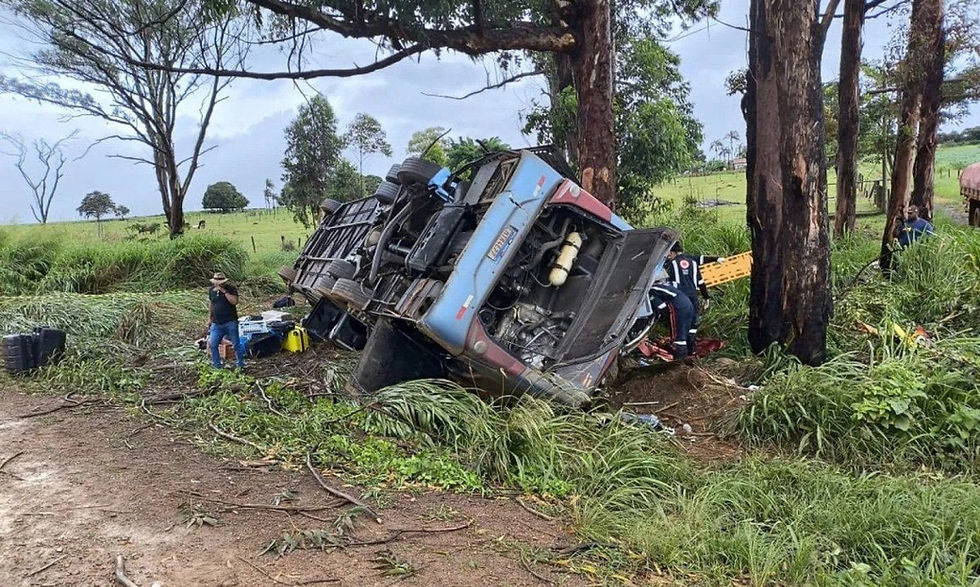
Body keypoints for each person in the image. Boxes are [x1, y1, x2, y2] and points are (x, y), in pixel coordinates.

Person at [664, 241, 724, 354]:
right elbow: (701, 281)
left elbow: (668, 283)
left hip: (680, 299)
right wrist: (706, 297)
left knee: (680, 326)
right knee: (693, 325)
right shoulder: (692, 261)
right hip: (693, 297)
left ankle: (680, 356)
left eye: (668, 253)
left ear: (672, 252)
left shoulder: (670, 264)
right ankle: (692, 351)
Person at [648, 283, 695, 360]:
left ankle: (679, 358)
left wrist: (666, 319)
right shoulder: (663, 286)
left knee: (677, 334)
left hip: (678, 305)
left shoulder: (650, 292)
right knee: (684, 330)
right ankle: (691, 351)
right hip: (688, 303)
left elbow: (662, 307)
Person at [208, 271, 244, 370]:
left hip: (230, 321)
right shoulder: (211, 290)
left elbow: (234, 302)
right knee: (213, 344)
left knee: (236, 343)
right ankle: (217, 365)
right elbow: (211, 304)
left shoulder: (231, 289)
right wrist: (210, 318)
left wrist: (224, 292)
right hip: (216, 322)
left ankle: (240, 363)